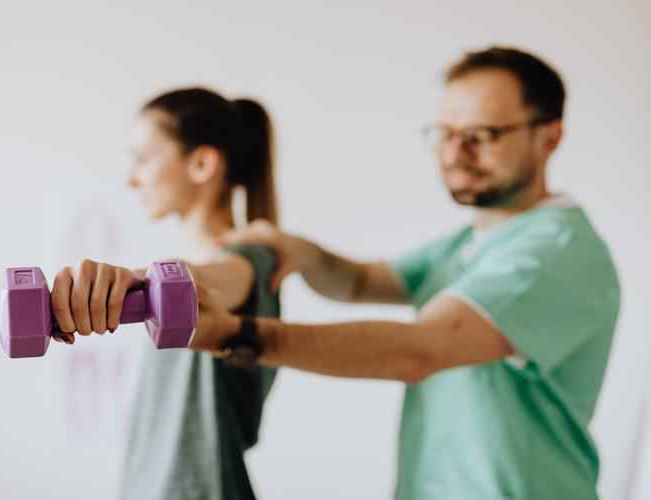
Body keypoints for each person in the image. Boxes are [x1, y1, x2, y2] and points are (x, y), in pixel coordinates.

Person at [53, 47, 621, 500]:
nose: (454, 151)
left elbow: (419, 350)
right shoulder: (468, 245)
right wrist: (295, 251)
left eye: (481, 135)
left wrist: (238, 333)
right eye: (444, 133)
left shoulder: (554, 251)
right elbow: (357, 280)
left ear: (549, 136)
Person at [51, 87, 281, 500]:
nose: (131, 177)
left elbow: (214, 280)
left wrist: (138, 280)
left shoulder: (249, 260)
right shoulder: (196, 265)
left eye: (143, 158)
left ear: (201, 163)